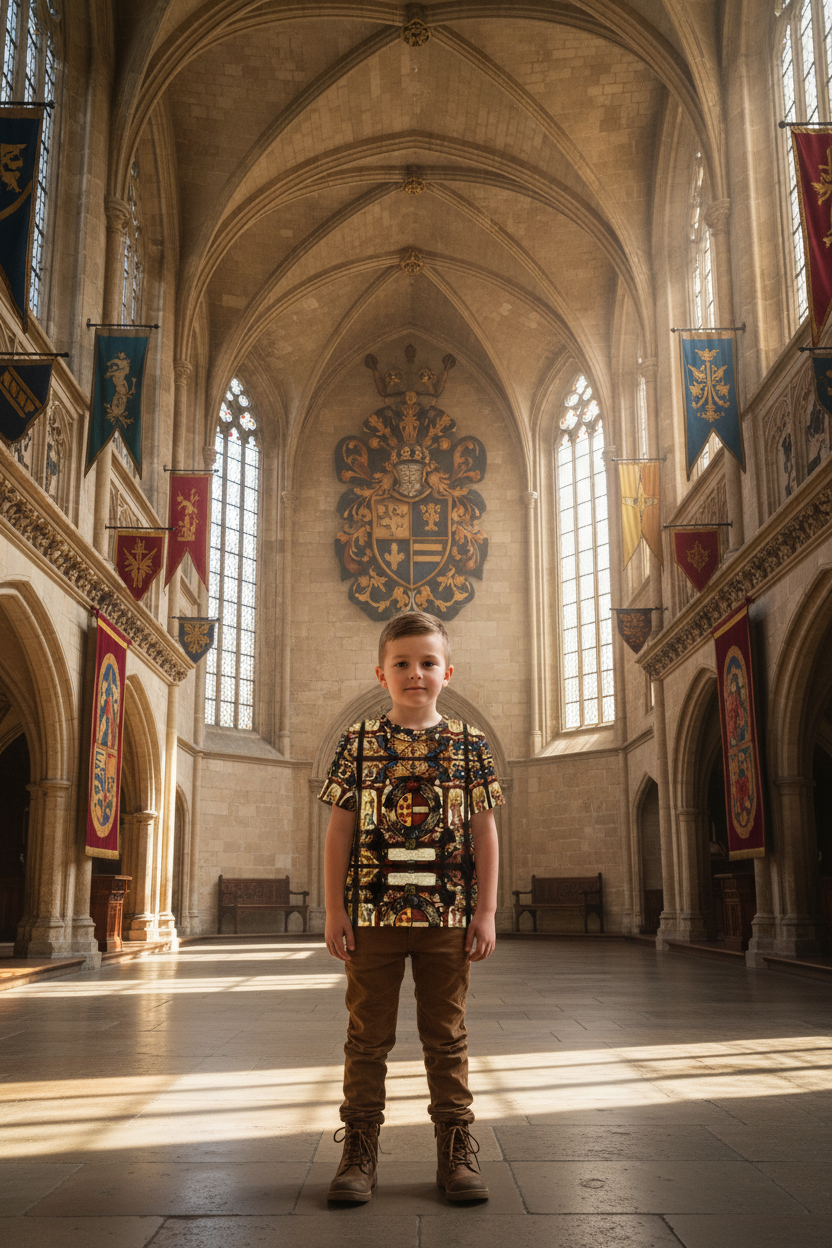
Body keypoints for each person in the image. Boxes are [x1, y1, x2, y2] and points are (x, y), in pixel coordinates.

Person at [319, 610, 503, 1204]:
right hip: (371, 913)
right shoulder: (358, 743)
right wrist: (334, 909)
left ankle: (456, 1150)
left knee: (446, 1035)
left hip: (447, 914)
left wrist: (486, 911)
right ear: (381, 673)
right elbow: (339, 833)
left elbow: (484, 834)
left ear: (448, 671)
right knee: (366, 1037)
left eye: (427, 663)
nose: (415, 674)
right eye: (402, 663)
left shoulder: (469, 745)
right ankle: (359, 1150)